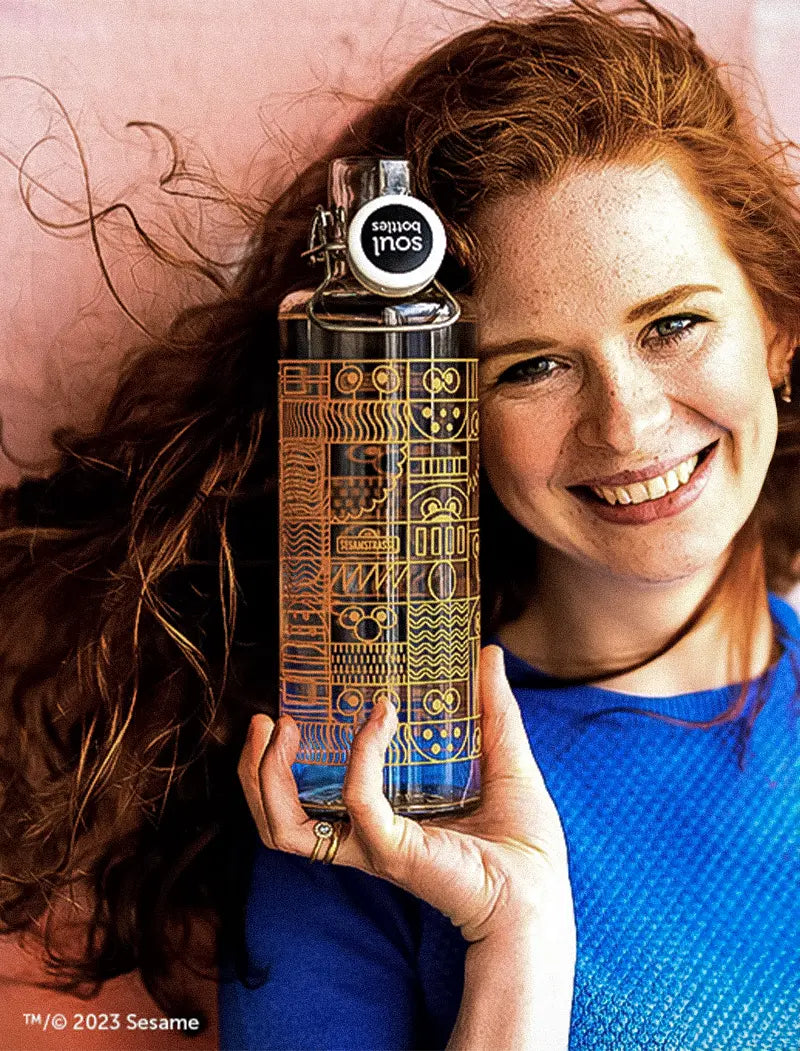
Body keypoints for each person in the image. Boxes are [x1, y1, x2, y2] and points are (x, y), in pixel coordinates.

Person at [0, 1, 797, 1049]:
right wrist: (516, 947)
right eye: (532, 366)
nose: (627, 423)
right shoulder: (370, 801)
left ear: (776, 325)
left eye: (672, 324)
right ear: (445, 412)